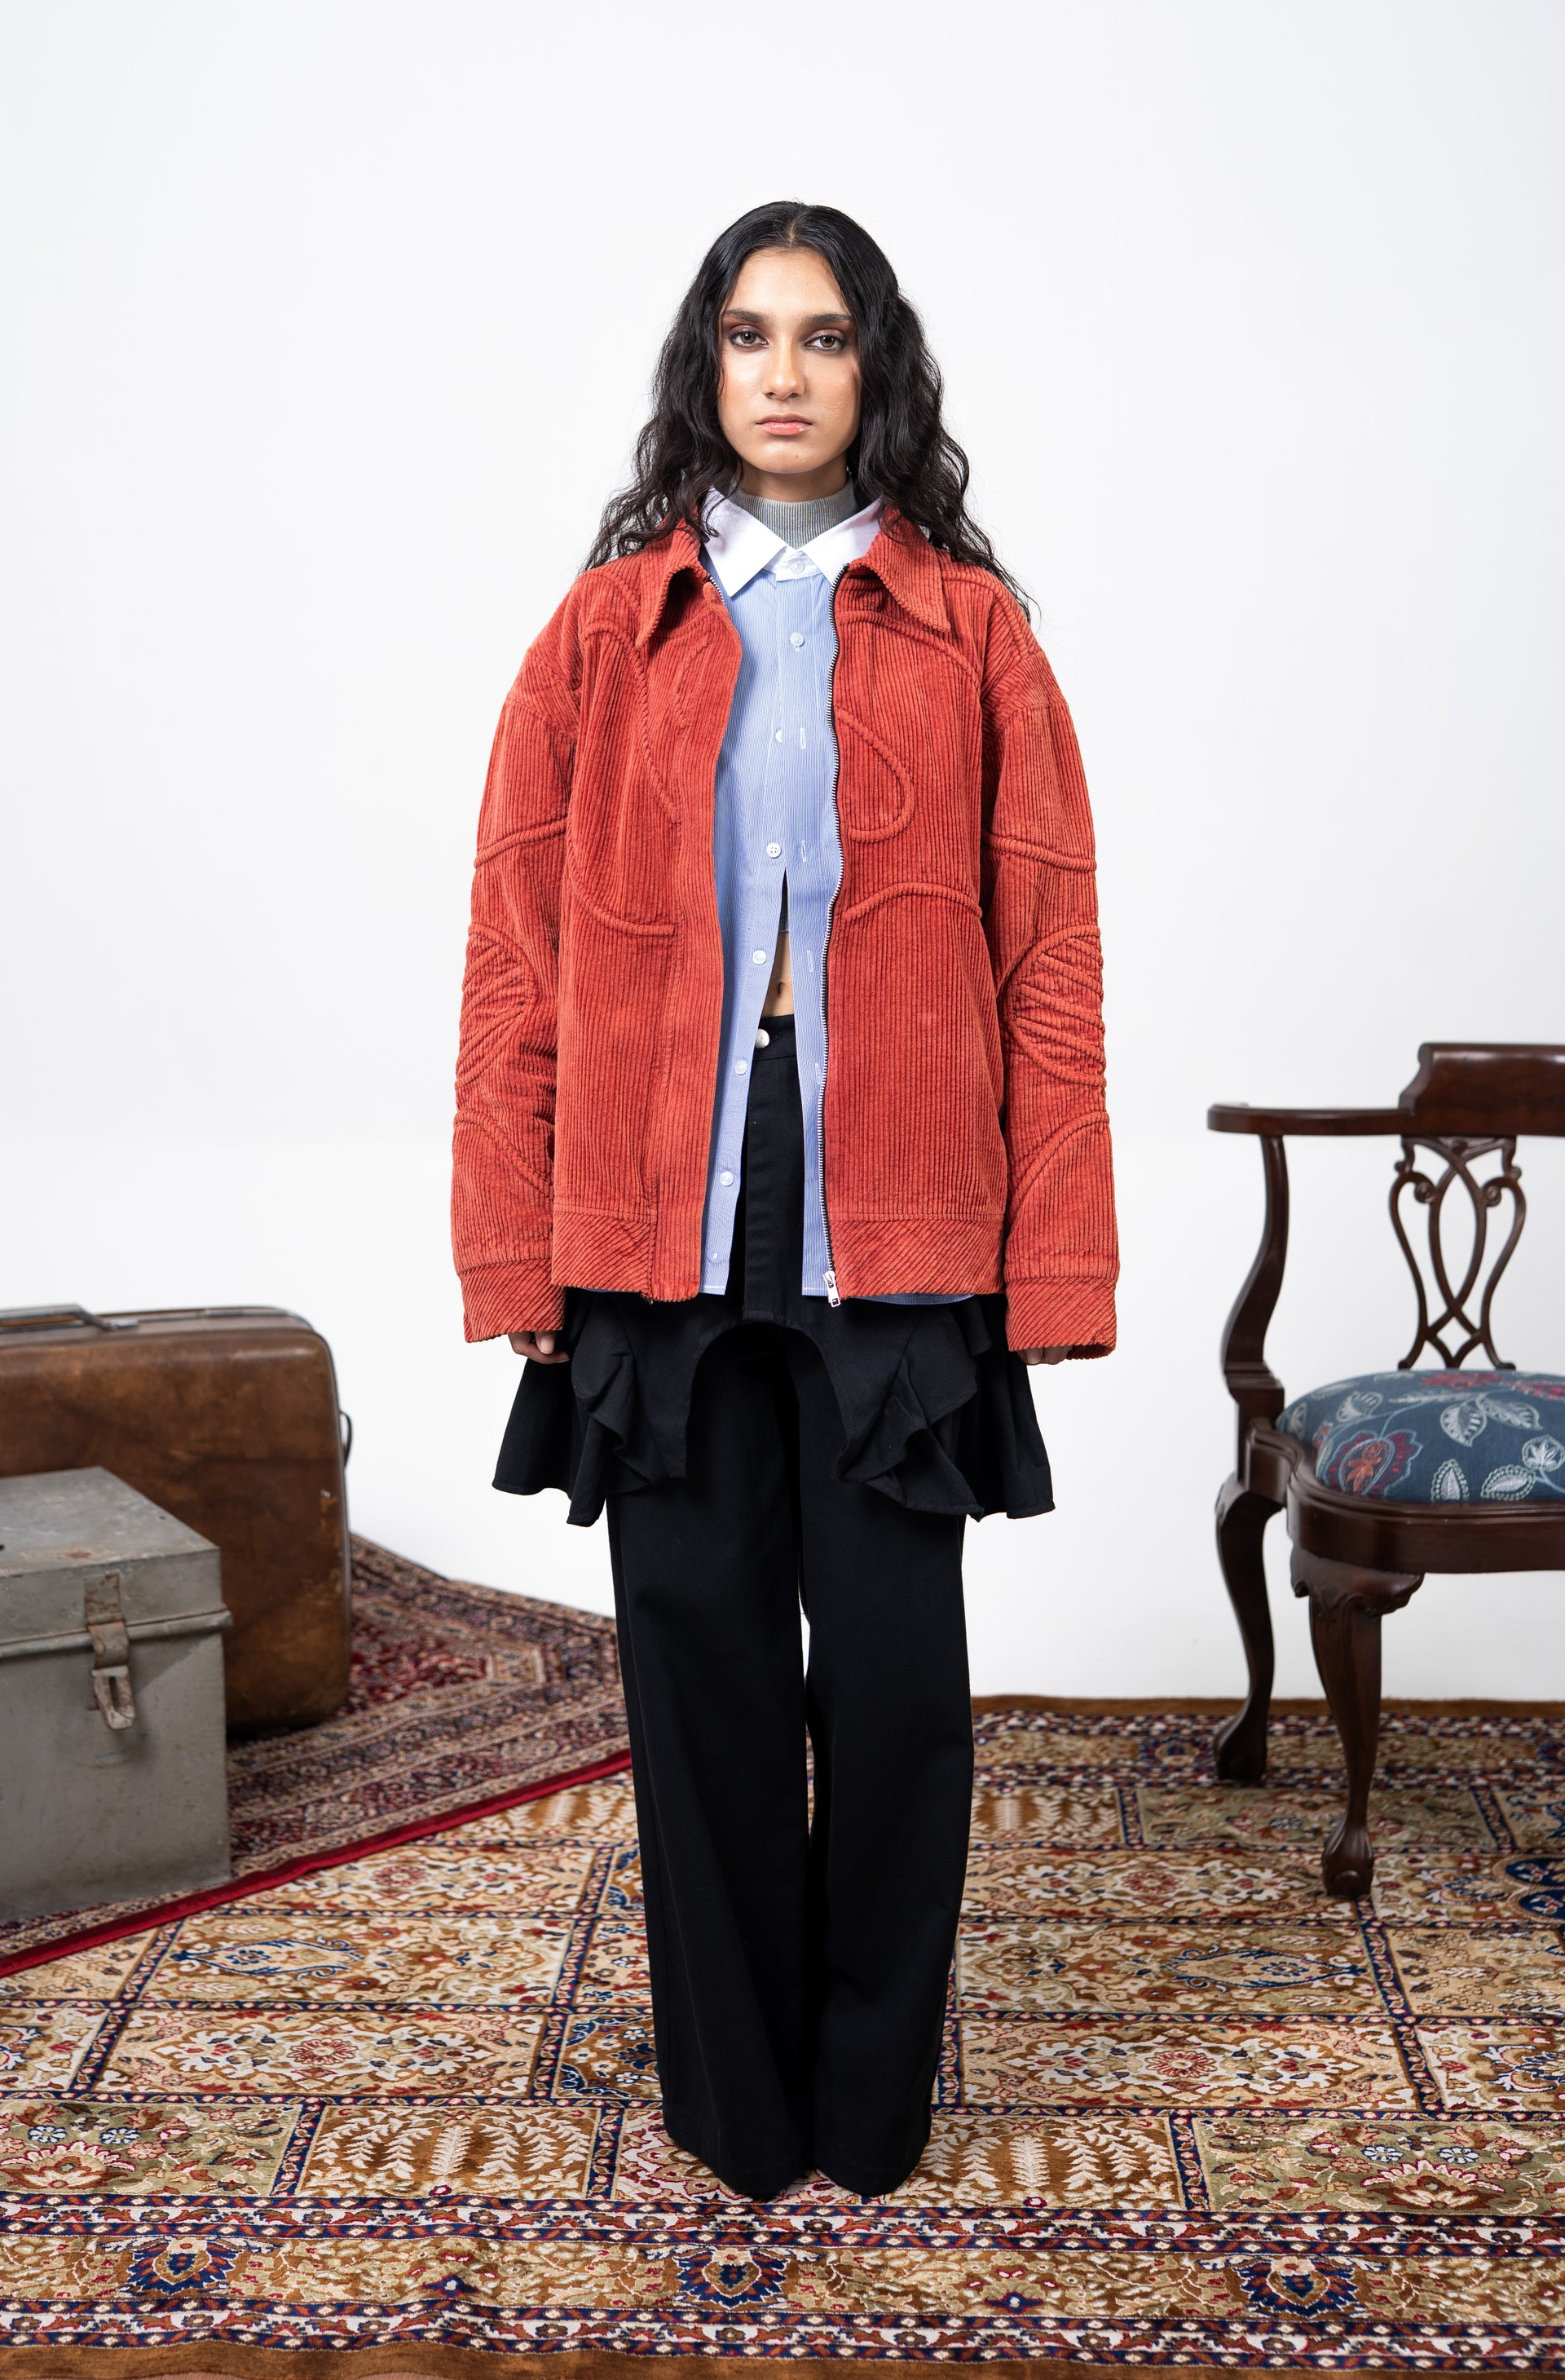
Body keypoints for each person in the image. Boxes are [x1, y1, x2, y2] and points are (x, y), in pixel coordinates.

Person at [452, 201, 1117, 2201]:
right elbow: (510, 960)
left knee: (896, 1686)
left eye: (824, 337)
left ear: (874, 367)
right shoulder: (603, 628)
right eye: (750, 334)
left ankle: (871, 2104)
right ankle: (738, 2110)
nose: (785, 372)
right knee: (699, 1665)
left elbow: (1050, 964)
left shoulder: (975, 630)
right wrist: (513, 1239)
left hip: (896, 1207)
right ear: (705, 365)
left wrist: (1055, 1259)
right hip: (659, 1202)